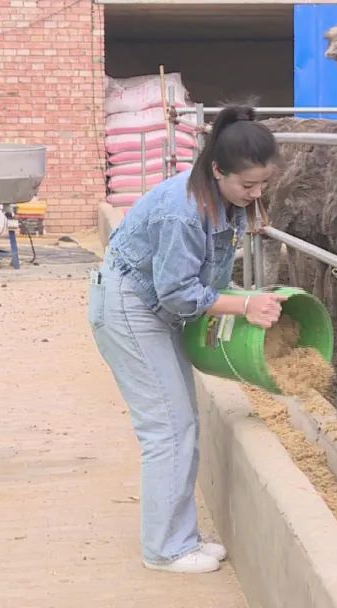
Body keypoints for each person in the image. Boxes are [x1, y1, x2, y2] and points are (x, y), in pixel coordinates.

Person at [89, 105, 286, 574]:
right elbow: (176, 293)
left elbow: (205, 277)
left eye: (263, 185)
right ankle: (166, 549)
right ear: (218, 170)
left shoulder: (222, 199)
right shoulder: (184, 211)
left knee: (182, 423)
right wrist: (243, 305)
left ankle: (183, 537)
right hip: (132, 309)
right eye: (247, 185)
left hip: (151, 308)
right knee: (168, 428)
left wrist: (243, 297)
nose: (255, 194)